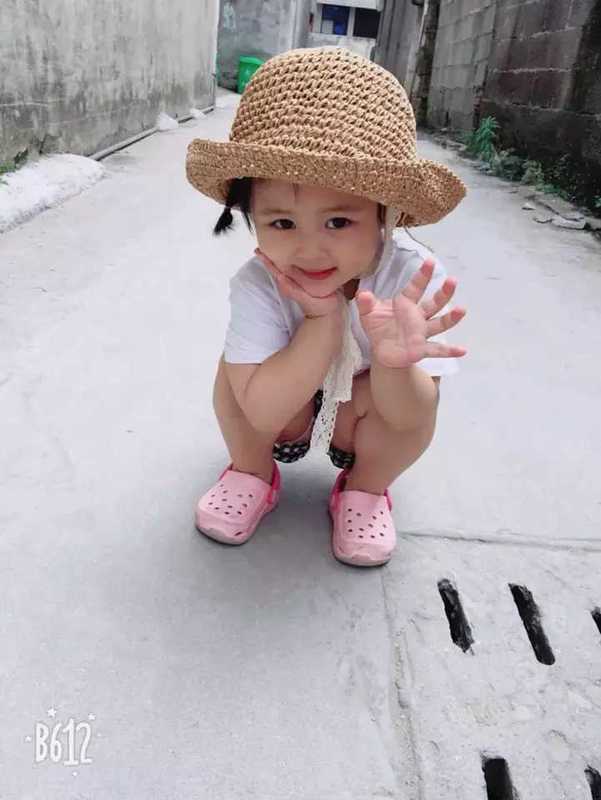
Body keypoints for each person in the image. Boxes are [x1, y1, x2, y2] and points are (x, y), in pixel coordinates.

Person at [185, 46, 468, 567]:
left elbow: (409, 417)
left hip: (359, 413)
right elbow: (262, 409)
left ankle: (364, 489)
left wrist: (394, 363)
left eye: (339, 222)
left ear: (386, 214)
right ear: (250, 216)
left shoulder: (410, 279)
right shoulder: (259, 282)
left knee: (419, 397)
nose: (309, 250)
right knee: (233, 370)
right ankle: (251, 470)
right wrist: (322, 319)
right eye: (282, 223)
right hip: (283, 404)